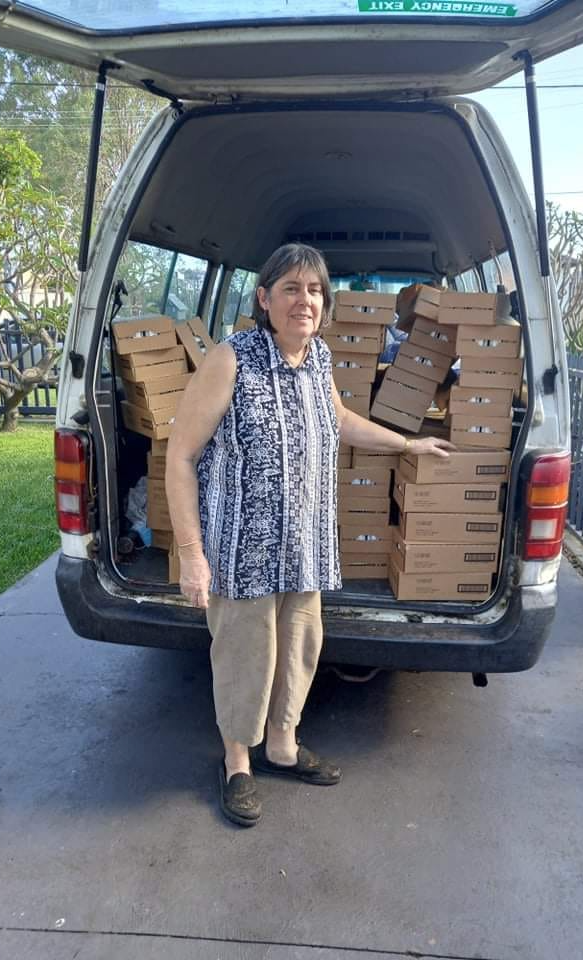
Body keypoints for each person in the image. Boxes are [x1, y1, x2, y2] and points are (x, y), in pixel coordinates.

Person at [165, 243, 454, 827]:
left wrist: (405, 442)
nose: (305, 300)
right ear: (264, 298)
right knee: (246, 656)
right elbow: (179, 456)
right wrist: (193, 555)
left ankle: (282, 747)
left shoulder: (318, 359)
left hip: (306, 545)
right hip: (243, 548)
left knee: (299, 648)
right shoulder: (231, 360)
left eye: (315, 290)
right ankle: (237, 761)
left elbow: (337, 419)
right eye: (292, 289)